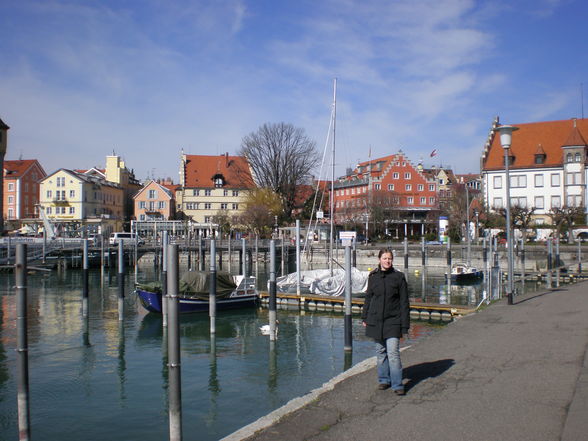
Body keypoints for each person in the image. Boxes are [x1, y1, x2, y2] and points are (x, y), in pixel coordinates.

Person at [362, 248, 410, 395]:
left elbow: (404, 302)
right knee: (381, 352)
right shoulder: (373, 276)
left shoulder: (399, 277)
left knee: (393, 353)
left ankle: (397, 384)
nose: (387, 261)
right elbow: (369, 298)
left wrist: (405, 324)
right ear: (379, 260)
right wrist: (364, 317)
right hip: (376, 320)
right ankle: (384, 380)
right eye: (384, 258)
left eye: (389, 258)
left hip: (393, 320)